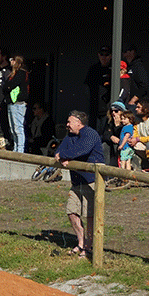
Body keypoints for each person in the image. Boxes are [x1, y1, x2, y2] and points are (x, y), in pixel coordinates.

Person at [55, 110, 105, 257]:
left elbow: (81, 150)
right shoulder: (70, 136)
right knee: (71, 212)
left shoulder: (90, 134)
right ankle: (81, 243)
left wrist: (65, 156)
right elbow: (60, 151)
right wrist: (62, 155)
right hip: (77, 182)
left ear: (79, 122)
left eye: (70, 122)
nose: (67, 125)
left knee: (90, 215)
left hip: (91, 181)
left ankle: (88, 247)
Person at [3, 55, 30, 153]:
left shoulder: (21, 73)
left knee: (18, 127)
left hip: (18, 103)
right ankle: (16, 148)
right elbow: (7, 86)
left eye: (11, 60)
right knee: (13, 128)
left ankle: (20, 150)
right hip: (12, 103)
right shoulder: (15, 73)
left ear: (16, 61)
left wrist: (7, 86)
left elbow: (9, 85)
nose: (10, 62)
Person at [84, 46, 112, 130]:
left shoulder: (113, 69)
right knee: (93, 132)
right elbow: (87, 87)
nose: (104, 57)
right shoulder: (93, 69)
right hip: (94, 108)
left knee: (105, 133)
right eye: (102, 54)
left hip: (108, 110)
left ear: (110, 56)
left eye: (106, 55)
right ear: (98, 55)